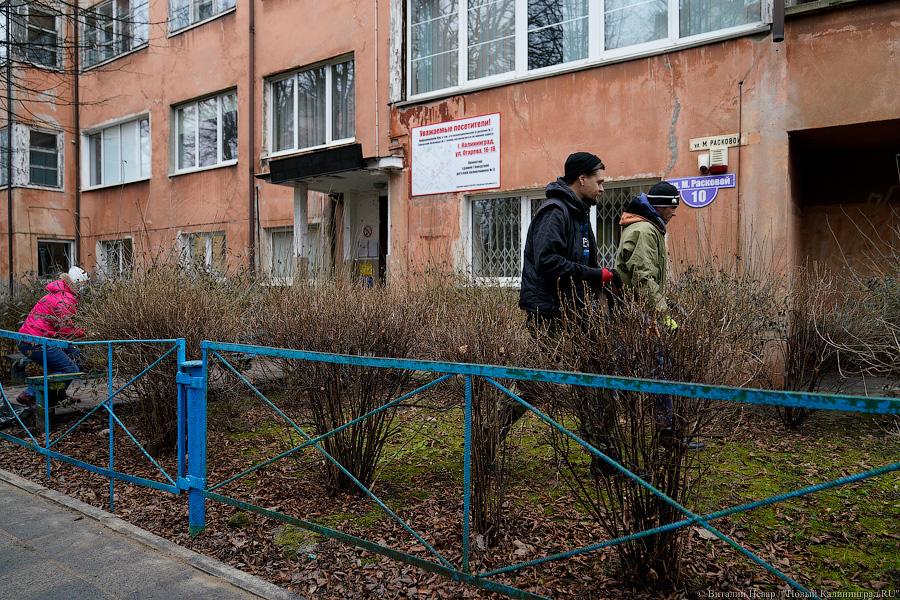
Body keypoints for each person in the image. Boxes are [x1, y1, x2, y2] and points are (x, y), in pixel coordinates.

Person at [514, 152, 619, 474]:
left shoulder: (578, 213)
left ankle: (604, 460)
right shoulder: (555, 212)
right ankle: (485, 438)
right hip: (550, 316)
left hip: (575, 312)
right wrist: (593, 275)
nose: (602, 188)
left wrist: (603, 280)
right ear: (582, 178)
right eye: (599, 181)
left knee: (598, 380)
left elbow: (582, 264)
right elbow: (547, 262)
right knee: (533, 385)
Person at [613, 182, 704, 450]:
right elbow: (643, 276)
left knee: (649, 372)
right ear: (660, 206)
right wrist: (664, 315)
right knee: (659, 372)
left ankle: (663, 431)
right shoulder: (645, 230)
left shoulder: (649, 228)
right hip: (640, 316)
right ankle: (666, 434)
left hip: (639, 313)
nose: (675, 213)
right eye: (673, 207)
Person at [15, 266, 89, 410]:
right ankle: (29, 394)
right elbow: (66, 331)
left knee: (77, 357)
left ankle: (58, 393)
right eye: (83, 285)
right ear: (77, 284)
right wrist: (87, 332)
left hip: (38, 338)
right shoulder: (65, 300)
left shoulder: (62, 293)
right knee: (70, 368)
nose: (84, 289)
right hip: (34, 341)